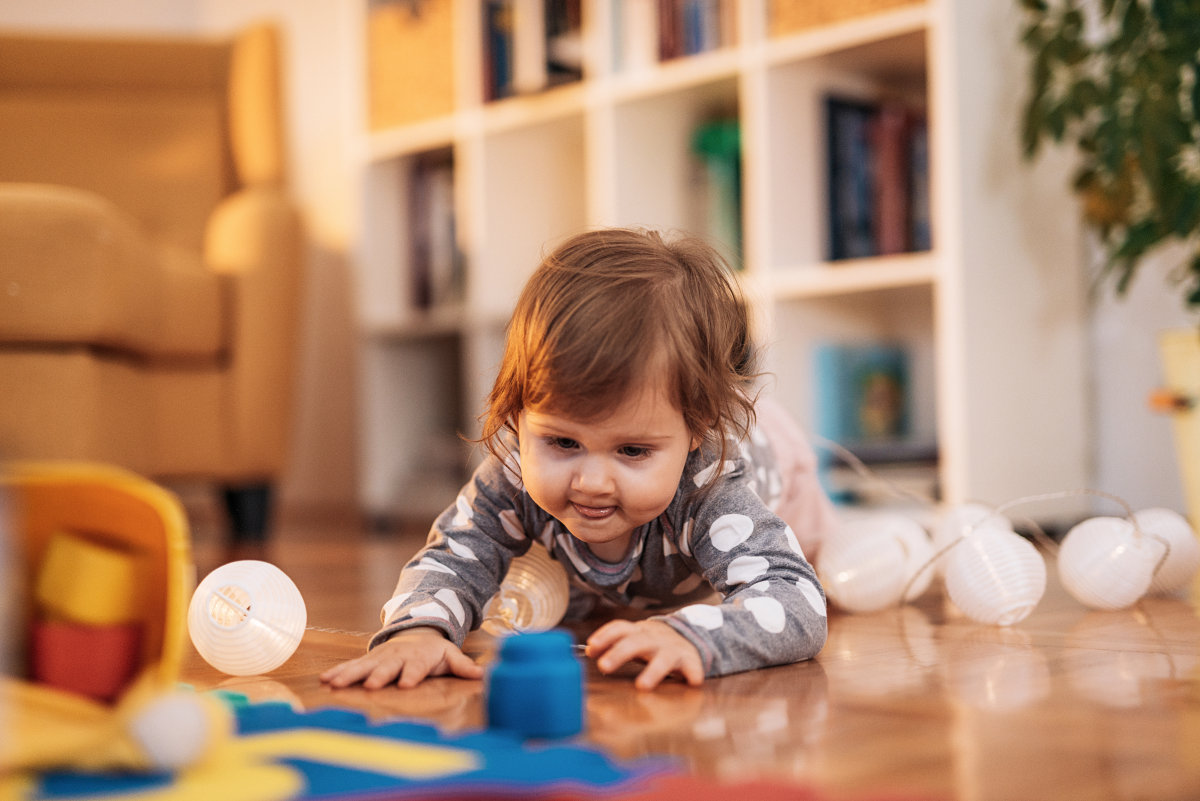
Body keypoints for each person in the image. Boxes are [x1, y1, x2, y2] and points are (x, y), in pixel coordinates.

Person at [321, 228, 834, 692]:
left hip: (782, 465)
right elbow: (452, 557)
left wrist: (696, 634)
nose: (591, 482)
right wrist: (418, 631)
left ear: (695, 432)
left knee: (822, 567)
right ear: (518, 412)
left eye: (632, 450)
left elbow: (797, 603)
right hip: (639, 563)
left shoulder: (711, 489)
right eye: (563, 443)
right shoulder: (512, 476)